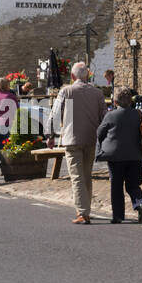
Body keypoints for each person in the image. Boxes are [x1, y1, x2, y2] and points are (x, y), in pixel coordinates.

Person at [51, 62, 107, 224]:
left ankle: (83, 212)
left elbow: (55, 114)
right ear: (87, 75)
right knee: (86, 176)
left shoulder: (67, 91)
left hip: (71, 138)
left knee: (77, 176)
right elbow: (104, 116)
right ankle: (85, 209)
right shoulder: (97, 93)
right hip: (91, 138)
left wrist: (50, 135)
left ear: (72, 76)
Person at [95, 87, 142, 223]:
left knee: (116, 186)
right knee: (133, 185)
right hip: (136, 155)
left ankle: (118, 216)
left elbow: (99, 133)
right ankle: (139, 203)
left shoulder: (110, 115)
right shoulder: (138, 114)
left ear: (115, 102)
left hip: (115, 157)